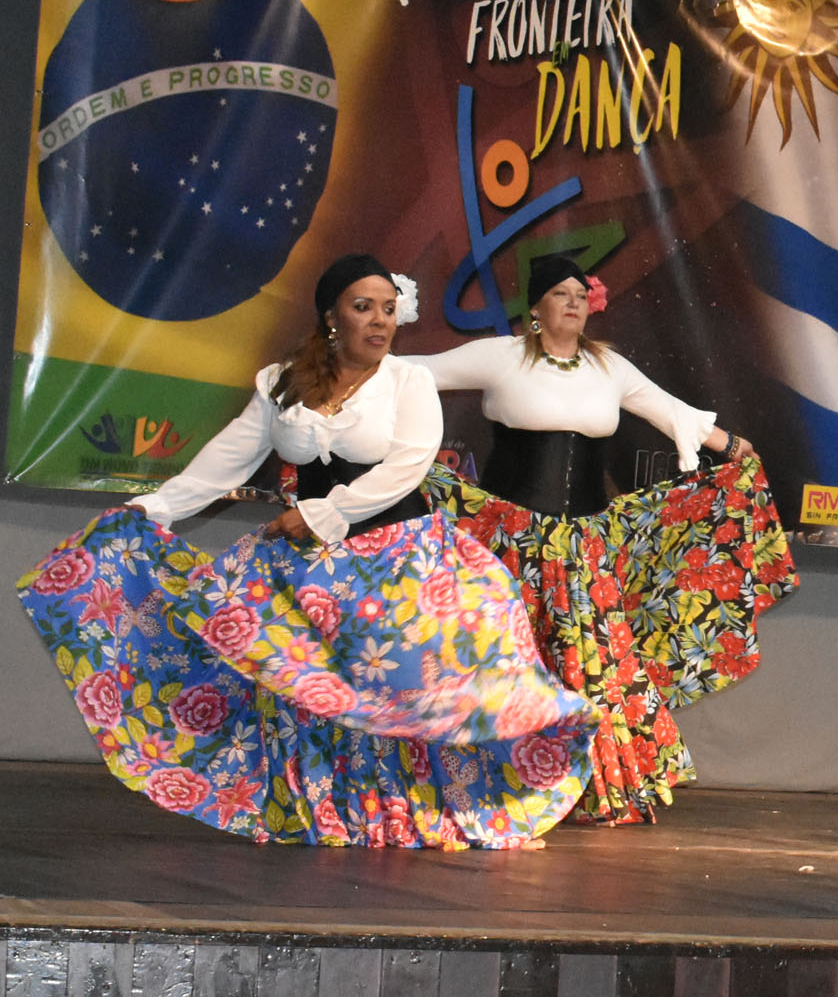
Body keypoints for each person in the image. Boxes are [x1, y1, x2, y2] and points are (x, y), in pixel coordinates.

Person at [17, 254, 597, 847]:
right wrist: (154, 509)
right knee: (294, 675)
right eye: (363, 307)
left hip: (398, 556)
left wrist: (322, 513)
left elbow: (408, 465)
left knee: (409, 686)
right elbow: (228, 458)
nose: (380, 321)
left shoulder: (407, 381)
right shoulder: (282, 382)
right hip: (311, 565)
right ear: (331, 316)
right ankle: (335, 802)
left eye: (388, 309)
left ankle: (433, 800)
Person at [410, 254, 797, 824]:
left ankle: (589, 788)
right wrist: (342, 375)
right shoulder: (502, 357)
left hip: (583, 549)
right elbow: (414, 373)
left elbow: (670, 411)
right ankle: (493, 786)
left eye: (579, 294)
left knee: (594, 664)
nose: (573, 303)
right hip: (512, 543)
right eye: (559, 294)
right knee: (504, 661)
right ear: (535, 306)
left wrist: (734, 447)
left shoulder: (609, 366)